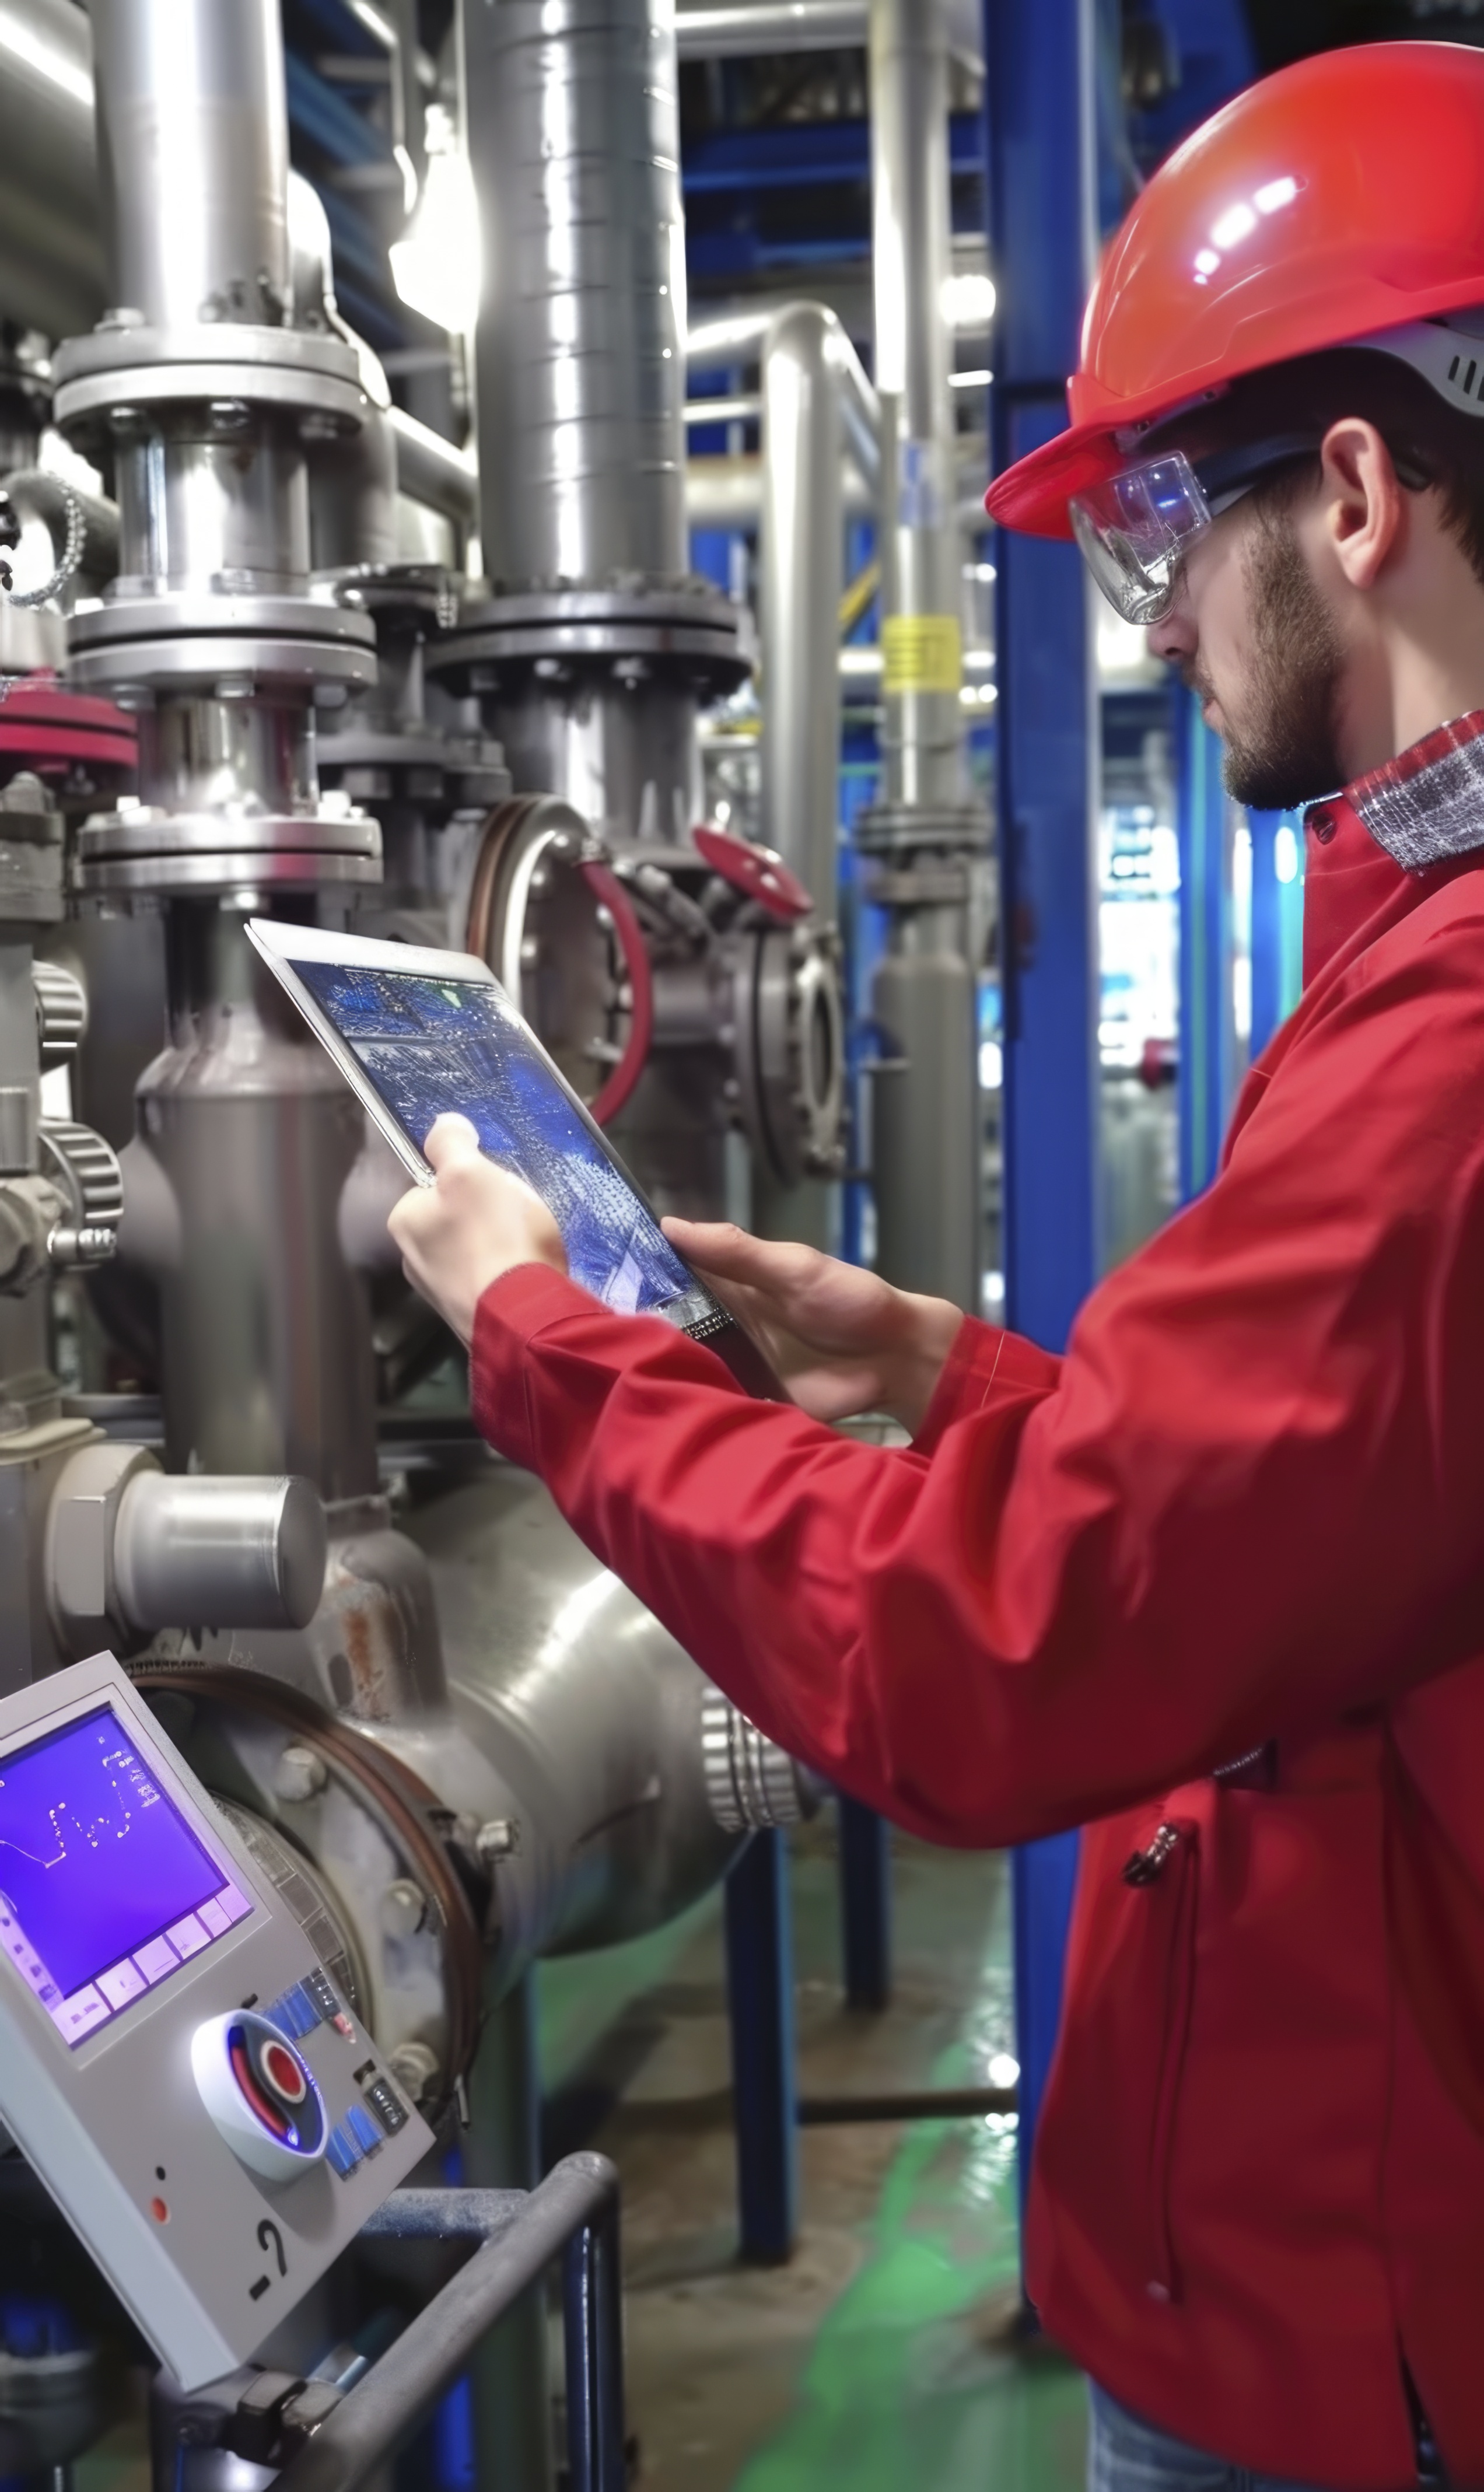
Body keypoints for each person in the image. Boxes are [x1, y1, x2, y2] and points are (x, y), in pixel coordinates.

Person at [390, 42, 1484, 2492]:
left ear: (1349, 494)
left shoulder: (1457, 1039)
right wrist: (970, 1380)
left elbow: (985, 1661)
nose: (1166, 625)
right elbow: (1321, 1510)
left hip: (1373, 2335)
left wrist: (538, 1340)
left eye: (1160, 542)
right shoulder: (1412, 947)